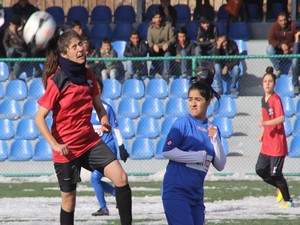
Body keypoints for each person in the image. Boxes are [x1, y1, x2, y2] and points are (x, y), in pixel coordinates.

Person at [34, 29, 132, 225]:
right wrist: (55, 145)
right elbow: (39, 118)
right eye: (74, 47)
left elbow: (99, 107)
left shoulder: (88, 75)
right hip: (66, 149)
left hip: (89, 142)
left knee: (121, 178)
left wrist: (104, 121)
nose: (80, 49)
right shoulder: (58, 80)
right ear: (64, 54)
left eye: (81, 44)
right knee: (69, 202)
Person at [162, 65, 226, 225]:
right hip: (176, 193)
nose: (193, 104)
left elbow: (220, 165)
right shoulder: (182, 123)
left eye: (198, 99)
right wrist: (195, 156)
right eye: (190, 99)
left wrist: (216, 140)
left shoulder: (213, 128)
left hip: (196, 196)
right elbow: (167, 151)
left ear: (208, 101)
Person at [255, 66, 294, 209]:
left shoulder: (276, 99)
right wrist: (263, 133)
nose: (267, 84)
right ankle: (279, 187)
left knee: (276, 173)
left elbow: (281, 118)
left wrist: (265, 123)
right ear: (262, 83)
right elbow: (266, 117)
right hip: (267, 142)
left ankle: (288, 201)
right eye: (265, 81)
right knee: (260, 169)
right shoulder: (263, 99)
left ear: (274, 84)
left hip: (277, 142)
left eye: (270, 81)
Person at [91, 77, 129, 216]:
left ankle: (104, 208)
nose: (96, 91)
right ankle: (119, 195)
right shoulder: (85, 108)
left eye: (99, 89)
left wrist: (121, 147)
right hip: (95, 149)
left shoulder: (106, 108)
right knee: (97, 179)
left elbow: (116, 128)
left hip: (107, 147)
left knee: (95, 179)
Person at [147, 7, 175, 82]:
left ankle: (165, 76)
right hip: (155, 50)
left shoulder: (168, 26)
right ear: (153, 19)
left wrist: (167, 44)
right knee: (152, 52)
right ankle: (155, 73)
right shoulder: (150, 29)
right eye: (156, 17)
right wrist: (153, 45)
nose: (158, 19)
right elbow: (149, 41)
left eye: (159, 17)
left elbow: (173, 39)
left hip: (166, 49)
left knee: (167, 54)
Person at [266, 11, 298, 77]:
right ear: (278, 20)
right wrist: (281, 46)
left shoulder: (293, 26)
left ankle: (296, 74)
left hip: (291, 52)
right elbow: (271, 40)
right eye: (281, 21)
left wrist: (291, 47)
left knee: (296, 55)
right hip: (279, 51)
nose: (283, 22)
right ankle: (278, 69)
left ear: (287, 19)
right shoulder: (273, 27)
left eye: (284, 20)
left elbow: (298, 38)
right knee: (269, 49)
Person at [2, 13, 28, 80]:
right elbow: (4, 41)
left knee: (18, 62)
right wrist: (7, 49)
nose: (10, 25)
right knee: (11, 51)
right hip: (13, 49)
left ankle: (14, 75)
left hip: (22, 51)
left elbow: (23, 43)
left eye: (12, 24)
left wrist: (15, 33)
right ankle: (10, 69)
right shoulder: (8, 30)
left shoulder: (23, 31)